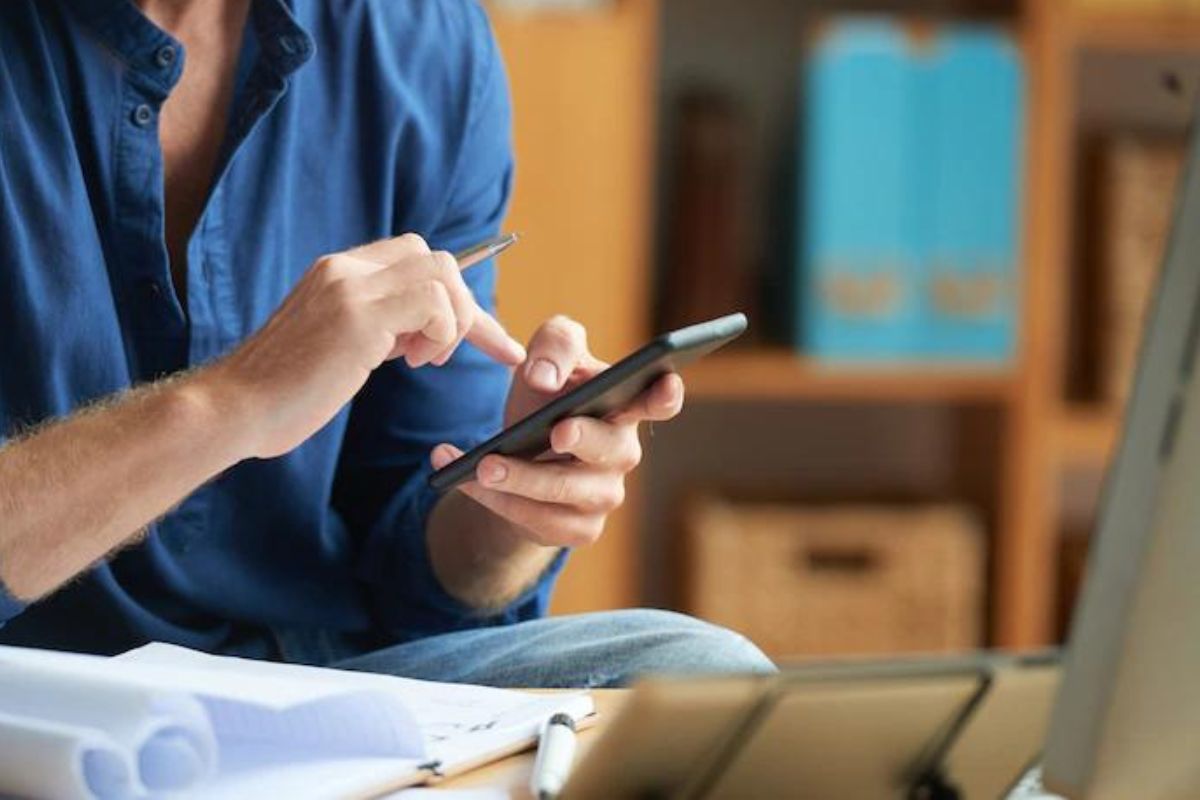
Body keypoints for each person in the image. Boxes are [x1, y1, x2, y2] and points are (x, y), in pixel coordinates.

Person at [0, 0, 773, 687]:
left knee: (707, 679)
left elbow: (418, 579)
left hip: (321, 687)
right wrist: (236, 401)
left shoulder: (422, 37)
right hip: (38, 693)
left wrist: (513, 503)